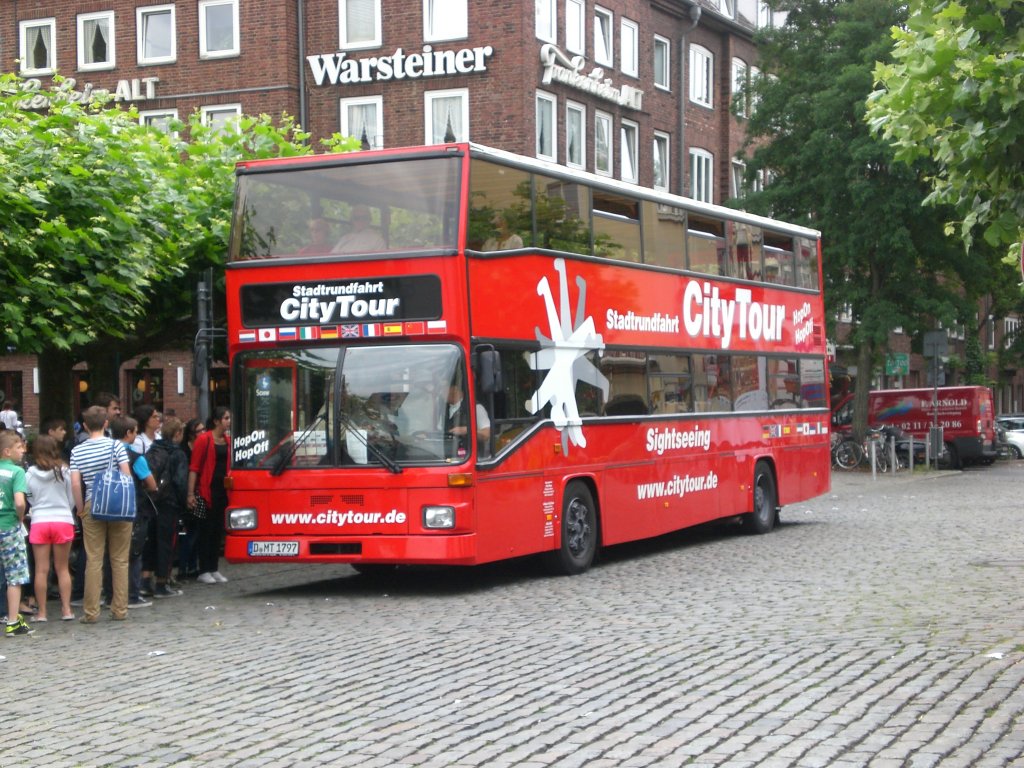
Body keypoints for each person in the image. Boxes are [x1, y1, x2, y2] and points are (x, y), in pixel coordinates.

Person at [70, 405, 132, 623]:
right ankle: (120, 609)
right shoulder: (117, 446)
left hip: (91, 505)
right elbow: (126, 475)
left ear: (85, 426)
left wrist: (80, 508)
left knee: (94, 560)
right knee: (120, 559)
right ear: (106, 423)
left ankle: (91, 612)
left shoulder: (77, 451)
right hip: (118, 506)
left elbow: (76, 484)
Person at [25, 435, 76, 622]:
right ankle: (67, 609)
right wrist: (65, 509)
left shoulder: (29, 473)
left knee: (41, 570)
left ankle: (42, 612)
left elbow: (29, 497)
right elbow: (71, 497)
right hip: (62, 519)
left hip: (39, 520)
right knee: (63, 568)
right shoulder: (65, 471)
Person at [112, 417, 155, 609]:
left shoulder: (105, 453)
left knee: (108, 553)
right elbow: (151, 483)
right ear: (128, 433)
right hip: (132, 507)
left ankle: (109, 594)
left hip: (108, 507)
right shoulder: (136, 457)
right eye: (135, 431)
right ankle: (132, 594)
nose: (136, 435)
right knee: (134, 552)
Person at [144, 417, 187, 598]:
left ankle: (145, 581)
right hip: (169, 503)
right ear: (177, 434)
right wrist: (184, 503)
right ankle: (162, 582)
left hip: (150, 501)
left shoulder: (153, 449)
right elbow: (180, 481)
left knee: (150, 541)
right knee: (166, 543)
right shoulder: (178, 454)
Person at [187, 407, 231, 584]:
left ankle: (214, 567)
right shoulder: (204, 440)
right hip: (205, 492)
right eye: (226, 418)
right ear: (217, 421)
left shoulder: (227, 440)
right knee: (204, 530)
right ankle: (203, 569)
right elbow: (194, 468)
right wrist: (190, 493)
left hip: (222, 491)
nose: (229, 421)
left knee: (217, 530)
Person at [0, 431, 33, 637]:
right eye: (19, 448)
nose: (23, 451)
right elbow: (20, 501)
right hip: (10, 526)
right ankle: (12, 621)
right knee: (14, 575)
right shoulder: (16, 472)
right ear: (7, 451)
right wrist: (20, 516)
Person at [443, 383, 491, 458]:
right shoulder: (443, 410)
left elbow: (486, 434)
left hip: (470, 459)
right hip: (447, 457)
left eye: (443, 388)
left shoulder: (476, 408)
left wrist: (466, 430)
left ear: (455, 389)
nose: (440, 391)